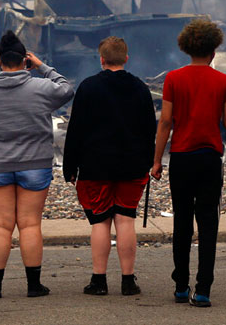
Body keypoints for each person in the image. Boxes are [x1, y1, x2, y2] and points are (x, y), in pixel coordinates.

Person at [0, 31, 74, 298]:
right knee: (30, 224)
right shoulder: (41, 87)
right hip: (35, 164)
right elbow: (67, 88)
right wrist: (42, 66)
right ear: (25, 61)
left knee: (0, 225)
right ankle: (34, 285)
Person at [151, 19, 226, 307]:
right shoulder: (224, 81)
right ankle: (203, 289)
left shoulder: (174, 79)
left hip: (182, 158)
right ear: (213, 51)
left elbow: (165, 122)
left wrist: (156, 162)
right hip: (209, 158)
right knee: (208, 222)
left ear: (186, 49)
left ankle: (180, 286)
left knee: (182, 221)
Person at [63, 36, 156, 297]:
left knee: (100, 221)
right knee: (126, 220)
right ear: (126, 59)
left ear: (101, 59)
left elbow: (76, 129)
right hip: (132, 165)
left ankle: (99, 280)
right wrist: (148, 163)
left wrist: (69, 165)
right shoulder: (140, 88)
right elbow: (150, 130)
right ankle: (128, 281)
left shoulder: (88, 87)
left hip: (95, 166)